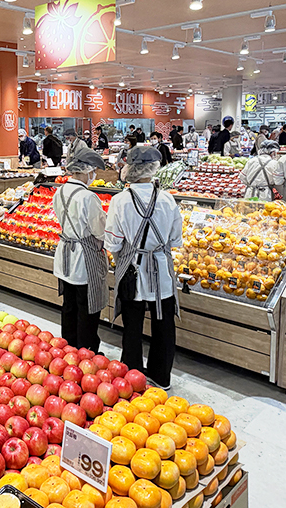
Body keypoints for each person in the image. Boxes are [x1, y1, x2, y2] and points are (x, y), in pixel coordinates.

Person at [105, 146, 183, 390]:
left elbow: (113, 242)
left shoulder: (120, 201)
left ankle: (132, 377)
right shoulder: (168, 199)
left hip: (132, 270)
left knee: (132, 326)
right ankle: (162, 376)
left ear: (129, 168)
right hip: (162, 271)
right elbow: (175, 240)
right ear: (154, 168)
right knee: (164, 325)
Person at [53, 147, 108, 351]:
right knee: (87, 306)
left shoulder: (60, 191)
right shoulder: (87, 197)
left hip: (65, 254)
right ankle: (87, 350)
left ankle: (69, 347)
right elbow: (99, 230)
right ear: (86, 171)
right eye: (94, 171)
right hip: (84, 257)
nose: (94, 176)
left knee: (69, 304)